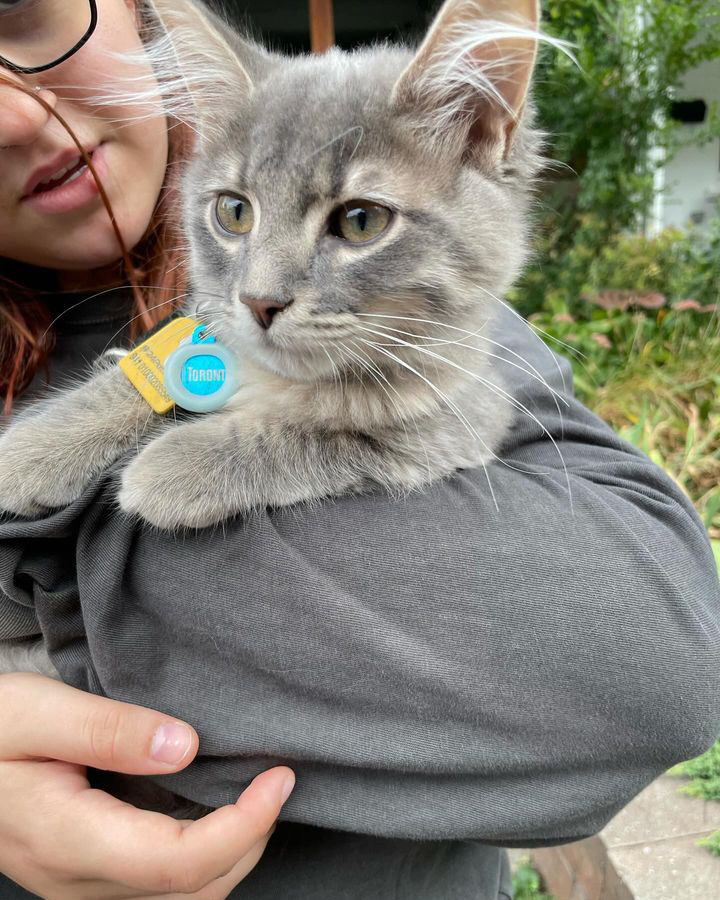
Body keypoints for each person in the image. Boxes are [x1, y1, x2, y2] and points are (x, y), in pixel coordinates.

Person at [1, 1, 719, 899]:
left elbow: (655, 677)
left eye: (355, 221)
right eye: (233, 212)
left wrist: (74, 557)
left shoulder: (450, 352)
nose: (262, 289)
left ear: (478, 136)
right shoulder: (217, 315)